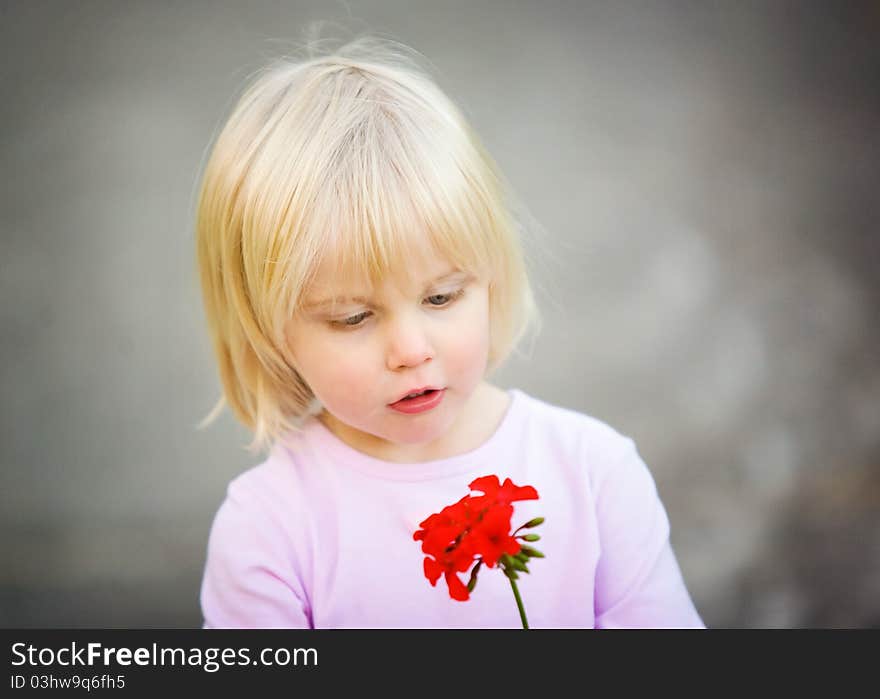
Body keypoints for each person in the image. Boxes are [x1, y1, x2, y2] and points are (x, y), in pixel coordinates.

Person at [195, 34, 705, 628]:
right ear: (268, 329)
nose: (412, 351)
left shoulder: (594, 476)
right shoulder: (269, 529)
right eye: (352, 317)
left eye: (441, 296)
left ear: (492, 280)